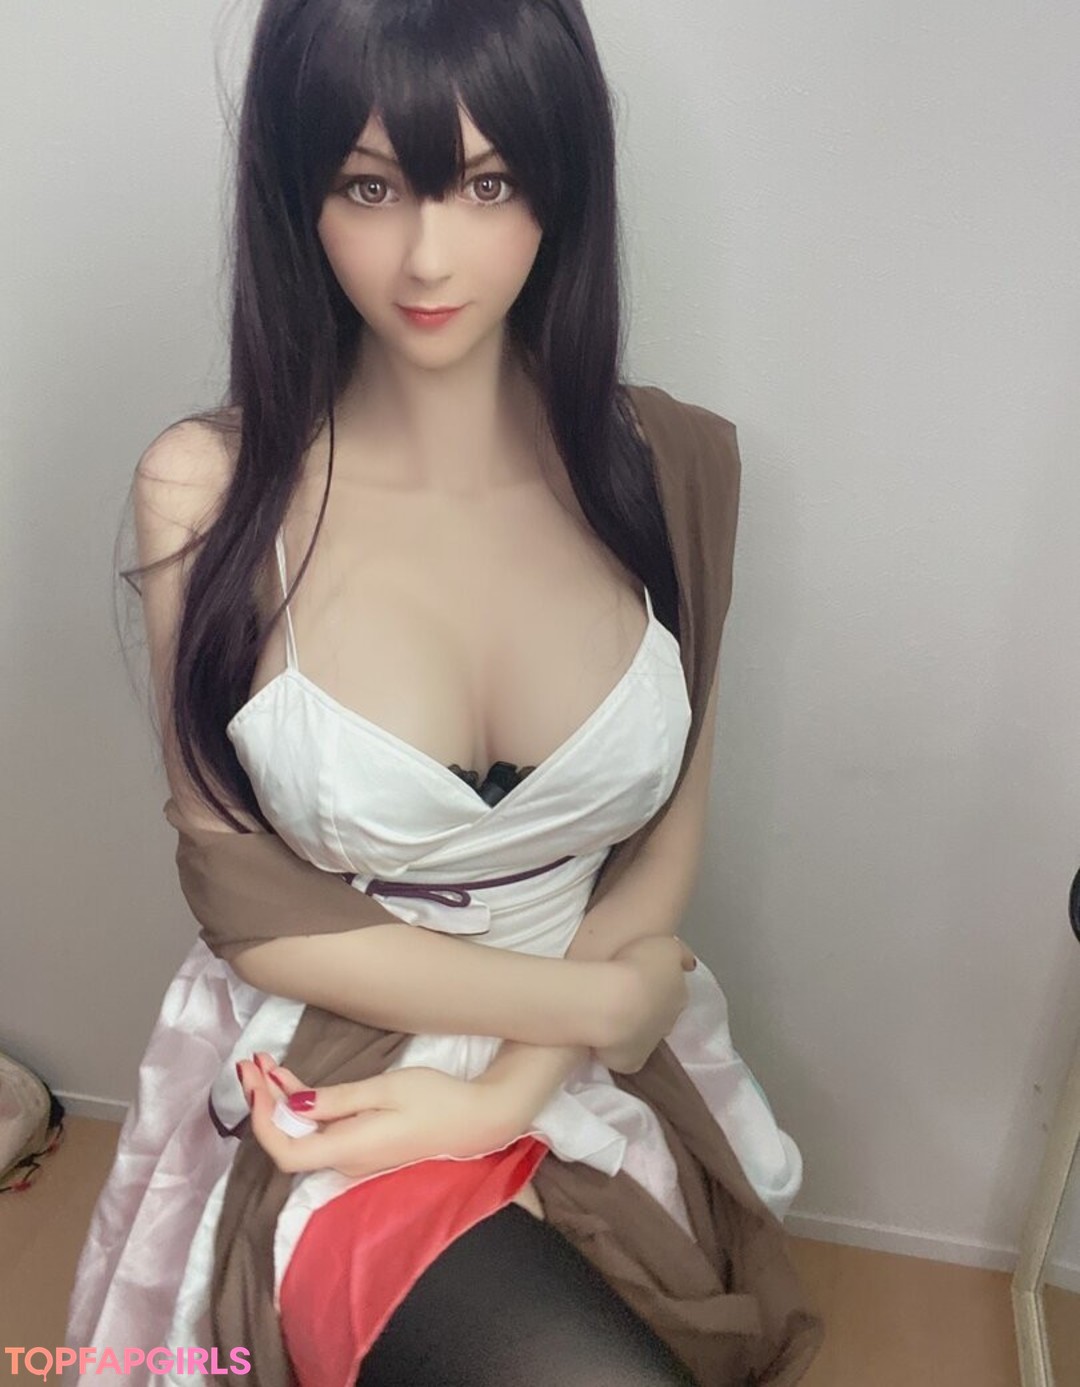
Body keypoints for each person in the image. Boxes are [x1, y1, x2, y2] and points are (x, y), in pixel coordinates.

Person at [68, 2, 810, 1383]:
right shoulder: (208, 492)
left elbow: (661, 845)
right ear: (297, 195)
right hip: (342, 1070)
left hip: (591, 1037)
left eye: (485, 183)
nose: (426, 256)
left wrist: (512, 1087)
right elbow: (249, 909)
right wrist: (602, 1011)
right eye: (369, 187)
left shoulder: (676, 468)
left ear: (561, 182)